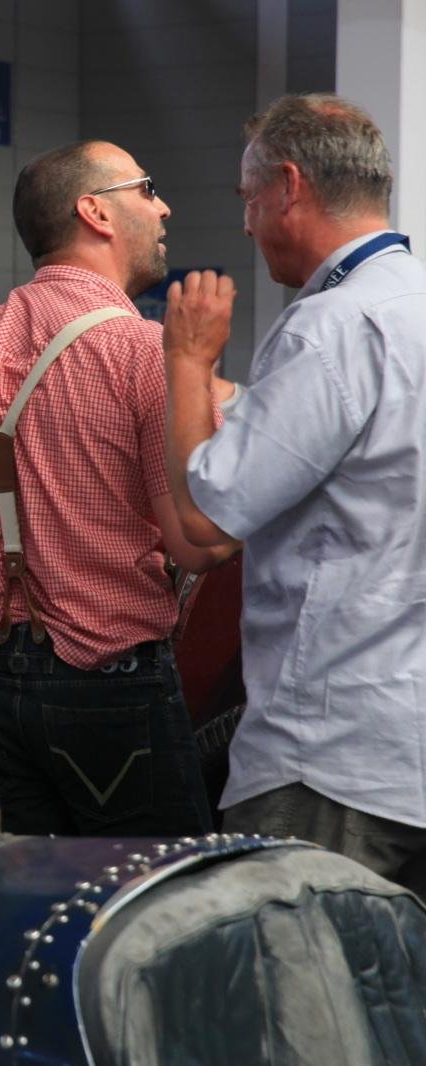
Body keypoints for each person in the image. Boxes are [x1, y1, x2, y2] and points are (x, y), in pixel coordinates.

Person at [0, 139, 235, 837]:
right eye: (147, 188)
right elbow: (195, 545)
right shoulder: (146, 354)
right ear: (96, 212)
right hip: (112, 685)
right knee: (161, 890)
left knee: (30, 894)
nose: (164, 207)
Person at [162, 94, 426, 884]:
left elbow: (204, 524)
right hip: (406, 745)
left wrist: (187, 363)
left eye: (248, 198)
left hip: (333, 760)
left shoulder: (334, 327)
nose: (246, 223)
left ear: (288, 186)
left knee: (303, 964)